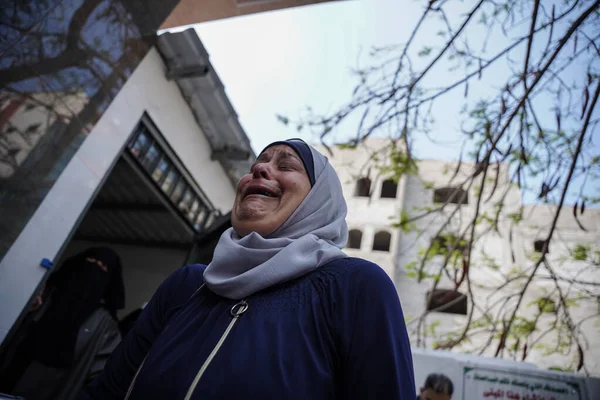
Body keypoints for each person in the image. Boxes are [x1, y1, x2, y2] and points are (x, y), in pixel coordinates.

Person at [80, 138, 416, 399]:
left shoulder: (353, 286)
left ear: (318, 202)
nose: (260, 170)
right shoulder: (188, 286)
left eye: (286, 165)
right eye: (257, 164)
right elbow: (107, 392)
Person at [0, 247, 125, 400]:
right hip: (14, 369)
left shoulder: (104, 325)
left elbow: (104, 372)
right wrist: (27, 309)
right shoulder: (45, 297)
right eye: (91, 261)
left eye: (103, 267)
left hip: (58, 384)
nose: (94, 270)